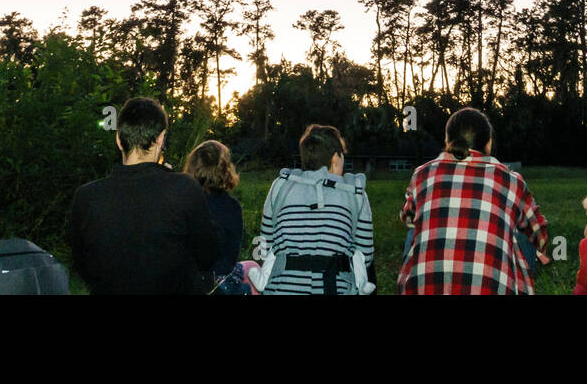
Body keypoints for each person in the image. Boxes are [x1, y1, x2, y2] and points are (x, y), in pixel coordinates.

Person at [69, 96, 220, 294]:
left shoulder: (85, 197)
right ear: (160, 138)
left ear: (118, 140)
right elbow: (208, 257)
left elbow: (82, 266)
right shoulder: (184, 189)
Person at [398, 107, 549, 294]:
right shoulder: (511, 180)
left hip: (425, 288)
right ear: (488, 143)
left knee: (413, 231)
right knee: (522, 233)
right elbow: (538, 232)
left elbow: (407, 218)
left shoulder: (422, 174)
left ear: (447, 141)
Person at [255, 124, 376, 295]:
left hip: (281, 288)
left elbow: (264, 247)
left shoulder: (281, 186)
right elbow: (365, 256)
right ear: (335, 158)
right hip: (335, 288)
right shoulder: (355, 192)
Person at [183, 140, 249, 294]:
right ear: (226, 169)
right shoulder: (232, 206)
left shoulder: (184, 201)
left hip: (189, 281)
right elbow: (231, 257)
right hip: (219, 283)